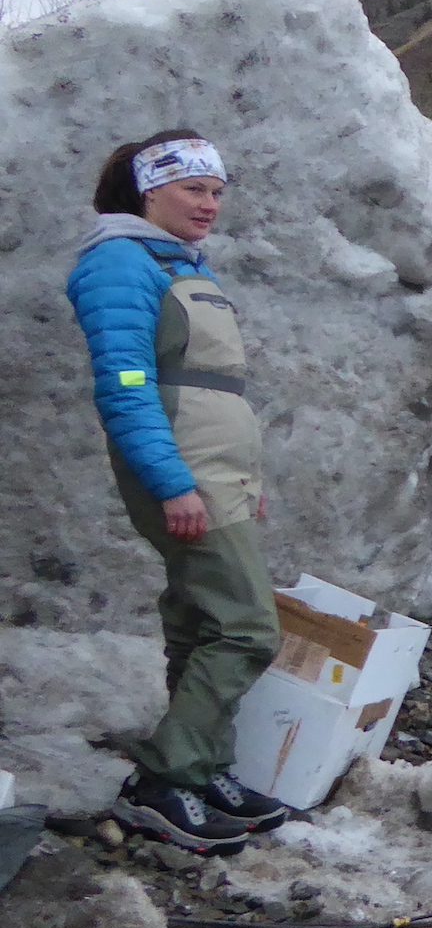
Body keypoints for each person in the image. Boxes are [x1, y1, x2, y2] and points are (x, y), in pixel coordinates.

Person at [66, 130, 287, 854]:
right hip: (183, 473)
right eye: (194, 188)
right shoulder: (120, 263)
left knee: (200, 621)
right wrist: (173, 483)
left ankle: (204, 769)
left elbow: (208, 389)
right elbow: (124, 385)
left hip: (215, 474)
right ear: (148, 189)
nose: (210, 204)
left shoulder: (177, 263)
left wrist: (241, 479)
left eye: (217, 191)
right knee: (246, 627)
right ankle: (165, 780)